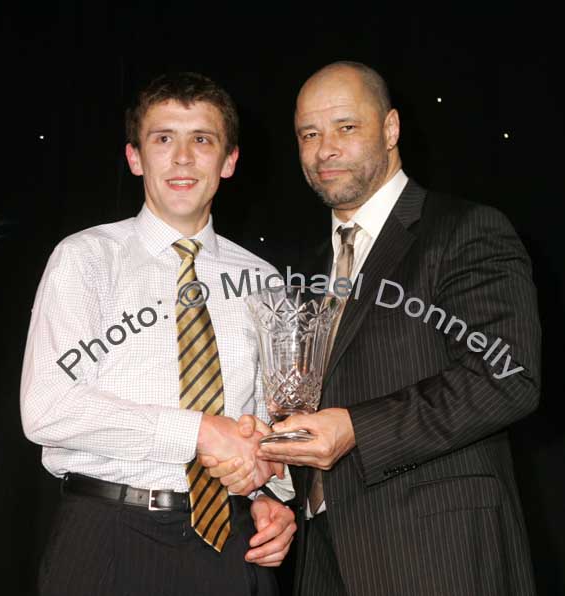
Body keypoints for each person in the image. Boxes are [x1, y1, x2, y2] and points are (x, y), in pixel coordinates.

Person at [203, 61, 541, 595]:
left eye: (346, 127)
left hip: (439, 552)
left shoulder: (463, 230)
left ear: (391, 129)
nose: (325, 149)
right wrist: (270, 468)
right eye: (309, 134)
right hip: (325, 557)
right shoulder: (309, 271)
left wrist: (356, 429)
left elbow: (507, 376)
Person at [20, 71, 295, 596]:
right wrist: (196, 431)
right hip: (108, 537)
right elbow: (47, 405)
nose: (183, 158)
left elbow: (268, 416)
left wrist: (270, 493)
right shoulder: (85, 259)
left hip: (232, 544)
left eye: (203, 140)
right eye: (164, 138)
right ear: (135, 157)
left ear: (229, 160)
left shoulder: (264, 280)